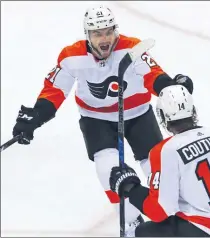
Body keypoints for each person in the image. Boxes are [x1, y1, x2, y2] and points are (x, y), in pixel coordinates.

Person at [11, 5, 193, 237]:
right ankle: (131, 221)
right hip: (96, 119)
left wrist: (170, 86)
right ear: (87, 35)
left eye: (108, 32)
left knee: (156, 166)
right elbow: (54, 91)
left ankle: (176, 214)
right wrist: (34, 118)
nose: (104, 38)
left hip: (138, 113)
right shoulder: (71, 56)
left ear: (116, 31)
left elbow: (152, 74)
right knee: (107, 170)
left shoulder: (132, 48)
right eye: (98, 33)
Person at [109, 85, 210, 237]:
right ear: (193, 110)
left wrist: (130, 188)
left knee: (136, 233)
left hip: (202, 231)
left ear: (162, 116)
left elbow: (159, 210)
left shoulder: (166, 150)